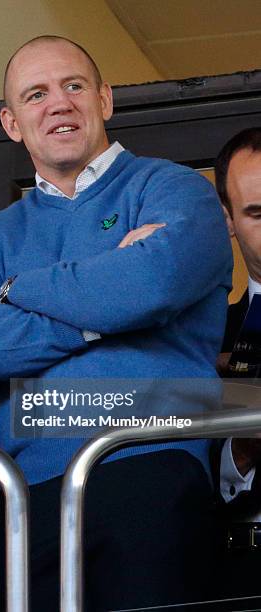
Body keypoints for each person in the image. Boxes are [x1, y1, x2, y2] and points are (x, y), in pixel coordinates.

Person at [0, 35, 233, 611]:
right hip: (28, 498)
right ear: (12, 123)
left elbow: (150, 284)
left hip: (152, 467)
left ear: (105, 100)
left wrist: (17, 289)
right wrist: (101, 313)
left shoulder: (174, 189)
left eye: (74, 86)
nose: (59, 103)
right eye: (36, 94)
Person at [213, 127, 261, 602]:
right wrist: (242, 453)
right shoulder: (204, 338)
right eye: (258, 213)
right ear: (228, 219)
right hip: (235, 575)